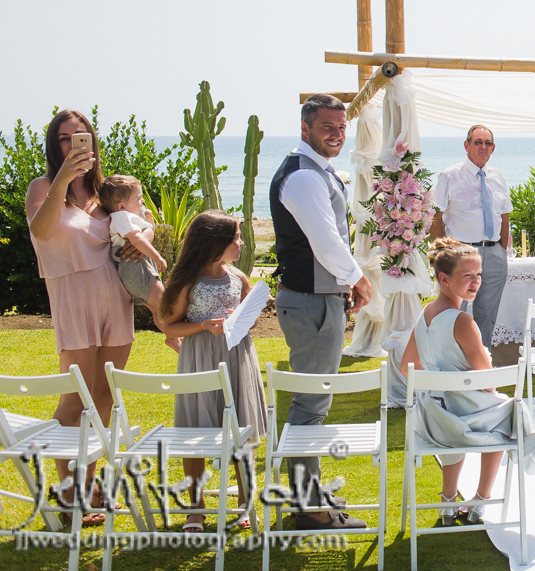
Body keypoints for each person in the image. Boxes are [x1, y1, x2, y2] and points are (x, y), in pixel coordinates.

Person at [398, 238, 535, 526]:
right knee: (508, 414)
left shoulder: (424, 315)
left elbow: (407, 366)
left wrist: (439, 385)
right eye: (467, 276)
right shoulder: (462, 321)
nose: (476, 283)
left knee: (484, 412)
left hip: (434, 417)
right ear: (444, 279)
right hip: (463, 418)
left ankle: (448, 502)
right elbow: (487, 382)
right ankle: (480, 501)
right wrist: (461, 386)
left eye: (479, 275)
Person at [268, 93, 372, 530]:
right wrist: (358, 278)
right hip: (311, 303)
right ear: (306, 128)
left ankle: (305, 493)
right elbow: (327, 243)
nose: (336, 133)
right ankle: (308, 507)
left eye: (341, 126)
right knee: (310, 406)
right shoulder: (305, 177)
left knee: (313, 403)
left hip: (318, 299)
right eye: (327, 126)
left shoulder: (315, 171)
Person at [25, 109, 134, 523]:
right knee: (75, 400)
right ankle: (68, 495)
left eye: (81, 135)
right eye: (66, 138)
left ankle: (90, 487)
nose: (74, 143)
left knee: (104, 396)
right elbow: (41, 230)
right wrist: (60, 181)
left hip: (114, 298)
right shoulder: (42, 187)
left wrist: (139, 242)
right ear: (56, 146)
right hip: (72, 298)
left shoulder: (107, 191)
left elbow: (141, 223)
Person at [158, 211, 267, 532]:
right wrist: (204, 325)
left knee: (241, 431)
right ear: (213, 242)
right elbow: (169, 324)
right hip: (200, 360)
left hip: (237, 357)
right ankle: (196, 507)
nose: (241, 243)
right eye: (235, 238)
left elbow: (253, 317)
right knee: (196, 432)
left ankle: (245, 503)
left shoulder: (239, 277)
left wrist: (242, 317)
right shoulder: (187, 282)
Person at [431, 124, 512, 348]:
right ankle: (450, 365)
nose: (483, 147)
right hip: (461, 254)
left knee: (487, 316)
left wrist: (501, 250)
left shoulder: (497, 176)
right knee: (454, 314)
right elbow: (434, 218)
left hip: (494, 253)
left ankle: (481, 366)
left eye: (488, 143)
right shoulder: (449, 176)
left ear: (493, 148)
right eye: (478, 142)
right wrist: (441, 255)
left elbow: (504, 216)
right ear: (467, 145)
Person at [97, 174, 181, 352]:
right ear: (121, 206)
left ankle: (173, 338)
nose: (142, 202)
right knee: (165, 304)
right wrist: (158, 257)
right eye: (138, 199)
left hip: (134, 270)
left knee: (157, 309)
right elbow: (137, 240)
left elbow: (145, 232)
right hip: (137, 267)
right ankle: (177, 338)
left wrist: (149, 222)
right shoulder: (122, 217)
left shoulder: (125, 217)